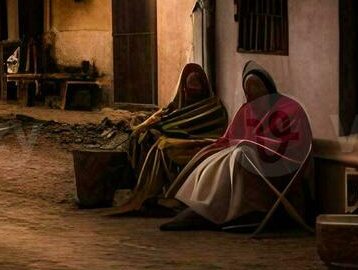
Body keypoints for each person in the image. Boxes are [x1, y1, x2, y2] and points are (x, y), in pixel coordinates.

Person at [161, 63, 312, 232]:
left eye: (258, 89)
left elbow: (295, 149)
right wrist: (210, 149)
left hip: (280, 169)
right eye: (250, 92)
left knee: (240, 154)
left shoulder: (291, 110)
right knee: (214, 155)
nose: (254, 96)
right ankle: (200, 209)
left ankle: (249, 212)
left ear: (269, 88)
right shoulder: (247, 109)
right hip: (249, 158)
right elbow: (230, 138)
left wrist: (254, 146)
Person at [109, 63, 228, 216]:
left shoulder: (211, 107)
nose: (192, 88)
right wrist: (152, 127)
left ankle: (161, 195)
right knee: (145, 138)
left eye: (196, 84)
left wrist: (164, 128)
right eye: (189, 84)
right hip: (180, 137)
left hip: (200, 139)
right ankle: (146, 189)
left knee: (163, 147)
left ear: (204, 85)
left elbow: (202, 126)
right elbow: (170, 117)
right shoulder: (178, 104)